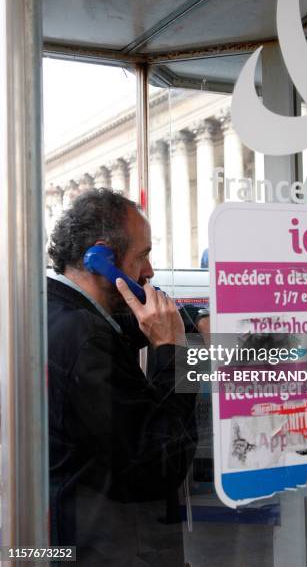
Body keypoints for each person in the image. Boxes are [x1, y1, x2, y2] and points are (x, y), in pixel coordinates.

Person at [47, 188, 199, 566]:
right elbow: (161, 463)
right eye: (143, 256)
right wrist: (176, 354)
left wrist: (189, 320)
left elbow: (126, 327)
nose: (149, 271)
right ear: (102, 259)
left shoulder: (56, 311)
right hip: (107, 547)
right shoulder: (85, 339)